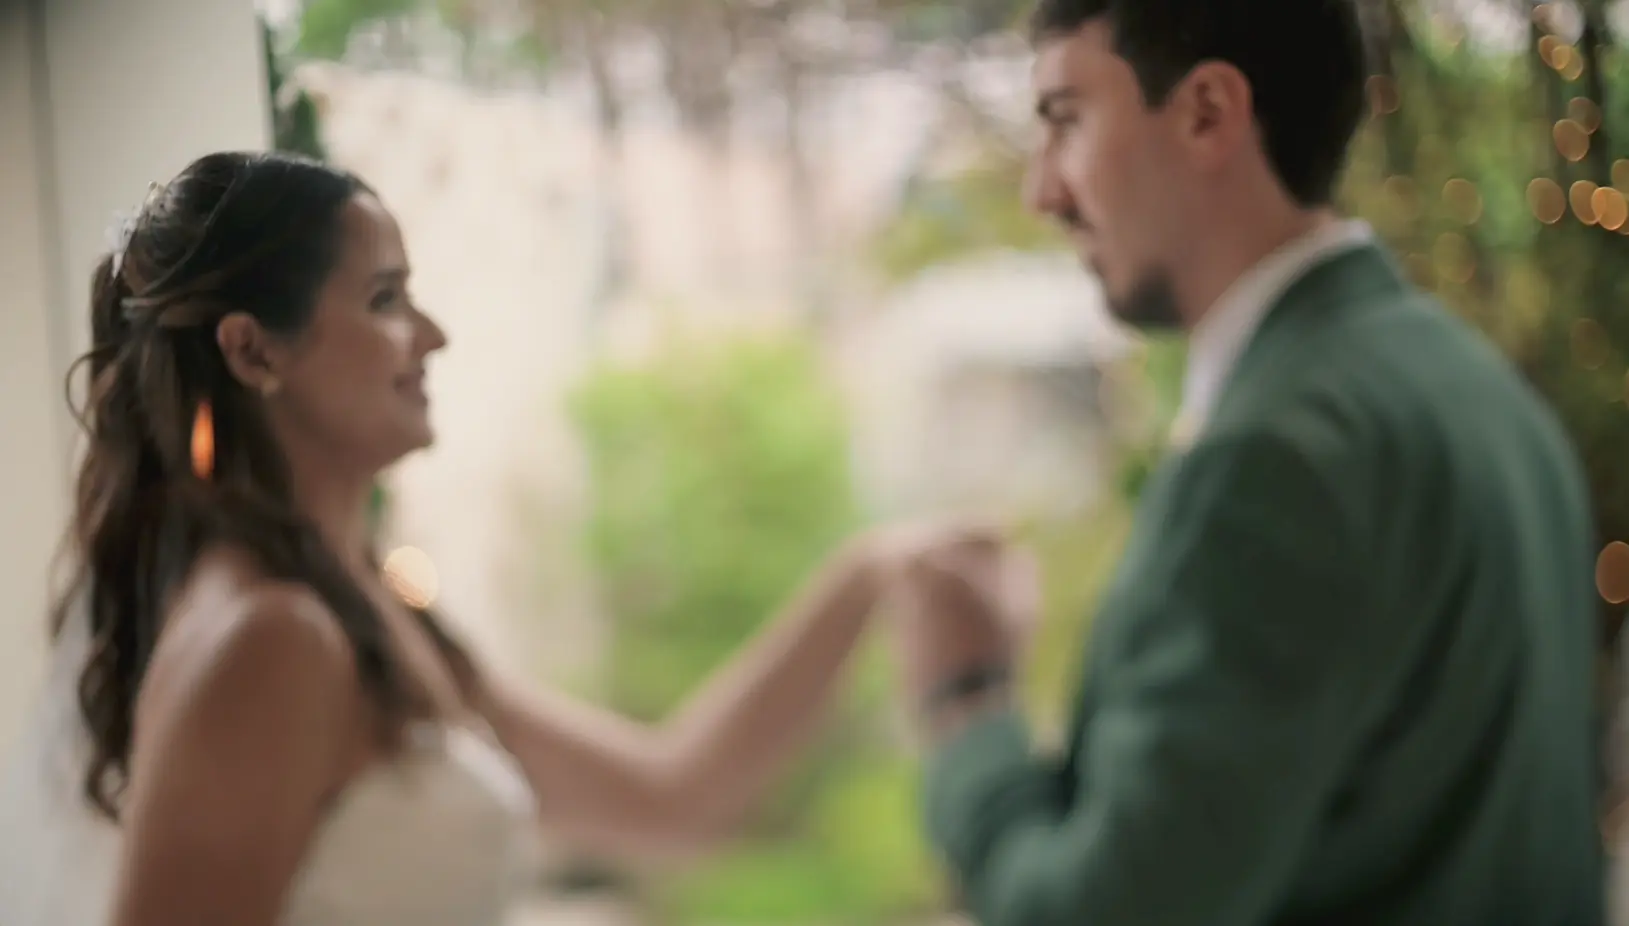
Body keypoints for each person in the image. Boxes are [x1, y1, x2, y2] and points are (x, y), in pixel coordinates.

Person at [0, 151, 1008, 926]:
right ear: (253, 350)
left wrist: (868, 574)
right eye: (386, 299)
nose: (432, 335)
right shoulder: (268, 638)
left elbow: (673, 796)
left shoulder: (364, 612)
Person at [888, 2, 1606, 925]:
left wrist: (968, 702)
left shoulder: (1270, 464)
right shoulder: (1473, 385)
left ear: (1207, 113)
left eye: (1066, 120)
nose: (1042, 193)